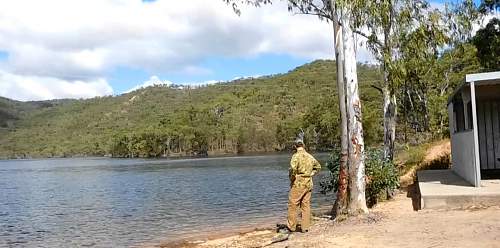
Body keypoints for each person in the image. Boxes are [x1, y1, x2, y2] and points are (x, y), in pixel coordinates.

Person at [287, 138, 321, 233]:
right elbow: (318, 167)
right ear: (303, 146)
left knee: (293, 204)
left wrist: (292, 178)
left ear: (295, 146)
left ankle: (291, 227)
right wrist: (311, 174)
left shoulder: (296, 156)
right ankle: (305, 227)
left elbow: (293, 169)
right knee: (305, 205)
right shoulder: (310, 156)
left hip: (299, 183)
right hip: (308, 183)